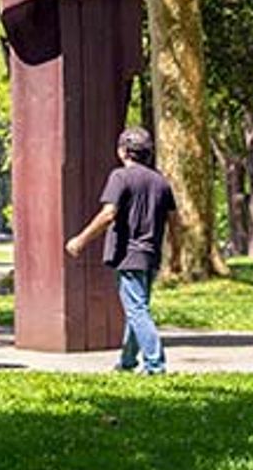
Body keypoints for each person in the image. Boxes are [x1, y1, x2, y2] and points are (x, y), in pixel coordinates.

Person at [65, 127, 179, 375]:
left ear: (123, 151)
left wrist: (81, 240)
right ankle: (127, 362)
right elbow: (174, 223)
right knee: (137, 308)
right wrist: (177, 254)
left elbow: (108, 214)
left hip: (129, 255)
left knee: (137, 310)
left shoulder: (120, 177)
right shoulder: (161, 182)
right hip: (151, 255)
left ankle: (155, 364)